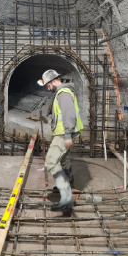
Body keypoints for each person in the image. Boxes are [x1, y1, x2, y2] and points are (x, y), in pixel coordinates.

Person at [38, 69, 83, 211]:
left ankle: (67, 197)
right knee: (64, 161)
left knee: (51, 161)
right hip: (65, 132)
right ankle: (69, 186)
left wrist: (68, 136)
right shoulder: (62, 92)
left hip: (64, 133)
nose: (47, 87)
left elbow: (69, 116)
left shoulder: (63, 94)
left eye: (47, 85)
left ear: (53, 81)